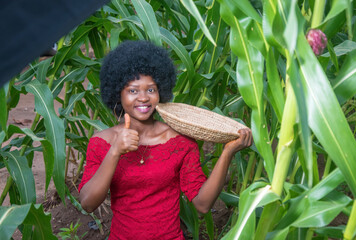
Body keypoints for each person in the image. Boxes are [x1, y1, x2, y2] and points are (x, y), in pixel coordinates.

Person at [78, 40, 253, 240]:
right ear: (118, 93)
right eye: (133, 90)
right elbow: (88, 203)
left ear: (161, 91)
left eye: (151, 90)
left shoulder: (180, 142)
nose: (143, 97)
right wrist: (115, 151)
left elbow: (203, 205)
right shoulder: (102, 143)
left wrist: (228, 152)